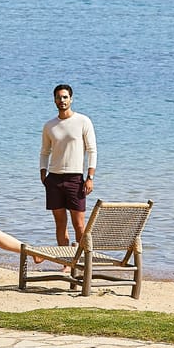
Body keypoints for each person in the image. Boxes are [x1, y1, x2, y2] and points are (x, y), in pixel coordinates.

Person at [39, 83, 97, 245]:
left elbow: (92, 150)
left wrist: (90, 177)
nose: (62, 100)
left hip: (75, 179)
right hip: (54, 179)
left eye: (65, 97)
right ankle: (65, 259)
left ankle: (83, 258)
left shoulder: (83, 121)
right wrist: (43, 174)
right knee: (60, 224)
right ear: (54, 100)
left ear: (71, 99)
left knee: (79, 225)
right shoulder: (49, 125)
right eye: (59, 98)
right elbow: (44, 152)